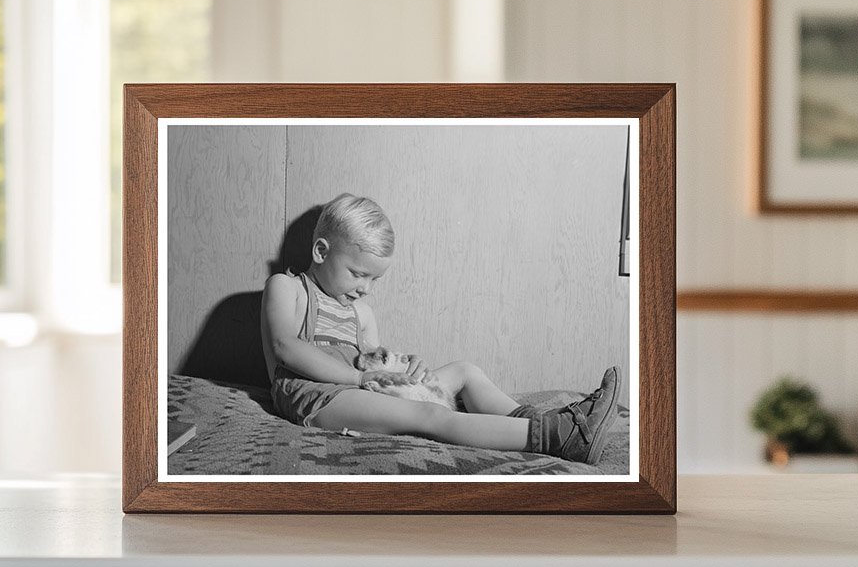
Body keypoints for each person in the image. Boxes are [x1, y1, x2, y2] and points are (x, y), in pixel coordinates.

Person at [260, 193, 620, 465]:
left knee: (465, 370)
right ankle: (557, 437)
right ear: (321, 252)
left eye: (374, 279)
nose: (365, 288)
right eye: (358, 273)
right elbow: (285, 347)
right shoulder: (287, 288)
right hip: (320, 397)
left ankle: (542, 420)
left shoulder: (361, 313)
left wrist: (404, 369)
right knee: (430, 415)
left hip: (362, 388)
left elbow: (373, 366)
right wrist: (357, 381)